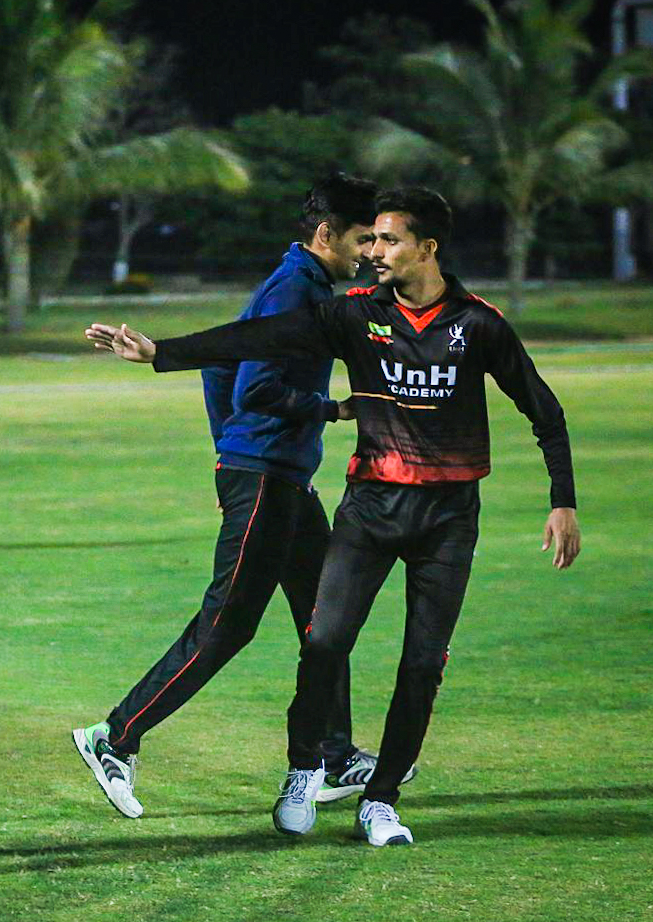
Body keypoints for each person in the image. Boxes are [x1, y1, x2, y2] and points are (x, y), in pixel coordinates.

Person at [85, 186, 580, 845]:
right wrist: (167, 361)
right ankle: (153, 741)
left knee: (382, 646)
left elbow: (544, 409)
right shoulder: (332, 304)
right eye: (366, 238)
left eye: (386, 240)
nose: (372, 251)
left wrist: (562, 499)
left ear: (426, 248)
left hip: (406, 508)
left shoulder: (471, 322)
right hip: (325, 494)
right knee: (273, 630)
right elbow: (251, 350)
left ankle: (358, 776)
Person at [73, 174, 418, 818]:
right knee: (230, 624)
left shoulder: (302, 282)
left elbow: (222, 363)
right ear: (326, 235)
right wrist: (333, 411)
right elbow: (255, 388)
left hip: (279, 478)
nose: (370, 251)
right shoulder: (294, 288)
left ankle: (334, 755)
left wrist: (227, 448)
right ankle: (113, 737)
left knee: (325, 618)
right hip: (264, 478)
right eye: (361, 239)